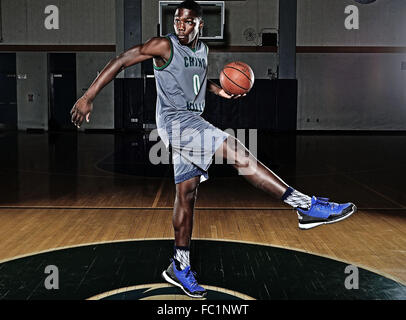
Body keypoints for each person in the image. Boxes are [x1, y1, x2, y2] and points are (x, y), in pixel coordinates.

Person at [70, 0, 356, 299]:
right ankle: (304, 206)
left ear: (199, 25)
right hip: (176, 124)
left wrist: (216, 89)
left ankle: (179, 266)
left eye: (187, 21)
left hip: (191, 120)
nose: (180, 25)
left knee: (187, 194)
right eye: (178, 20)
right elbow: (121, 60)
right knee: (236, 150)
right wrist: (88, 96)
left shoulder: (203, 51)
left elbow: (194, 81)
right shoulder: (163, 46)